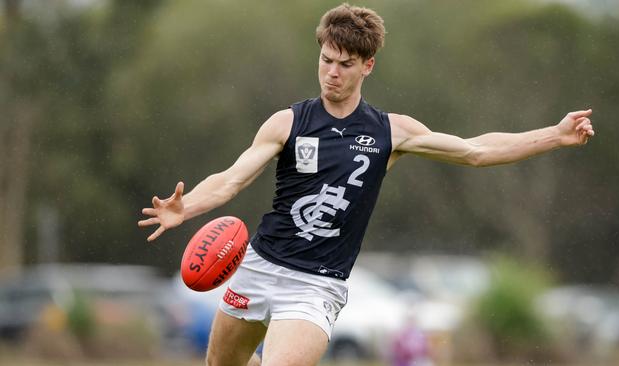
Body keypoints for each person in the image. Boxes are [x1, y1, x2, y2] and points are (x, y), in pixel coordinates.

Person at [138, 3, 595, 366]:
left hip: (316, 284)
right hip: (259, 266)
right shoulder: (287, 122)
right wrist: (188, 206)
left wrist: (554, 136)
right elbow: (231, 180)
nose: (331, 72)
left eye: (345, 64)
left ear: (368, 66)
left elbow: (476, 151)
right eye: (325, 60)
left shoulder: (390, 132)